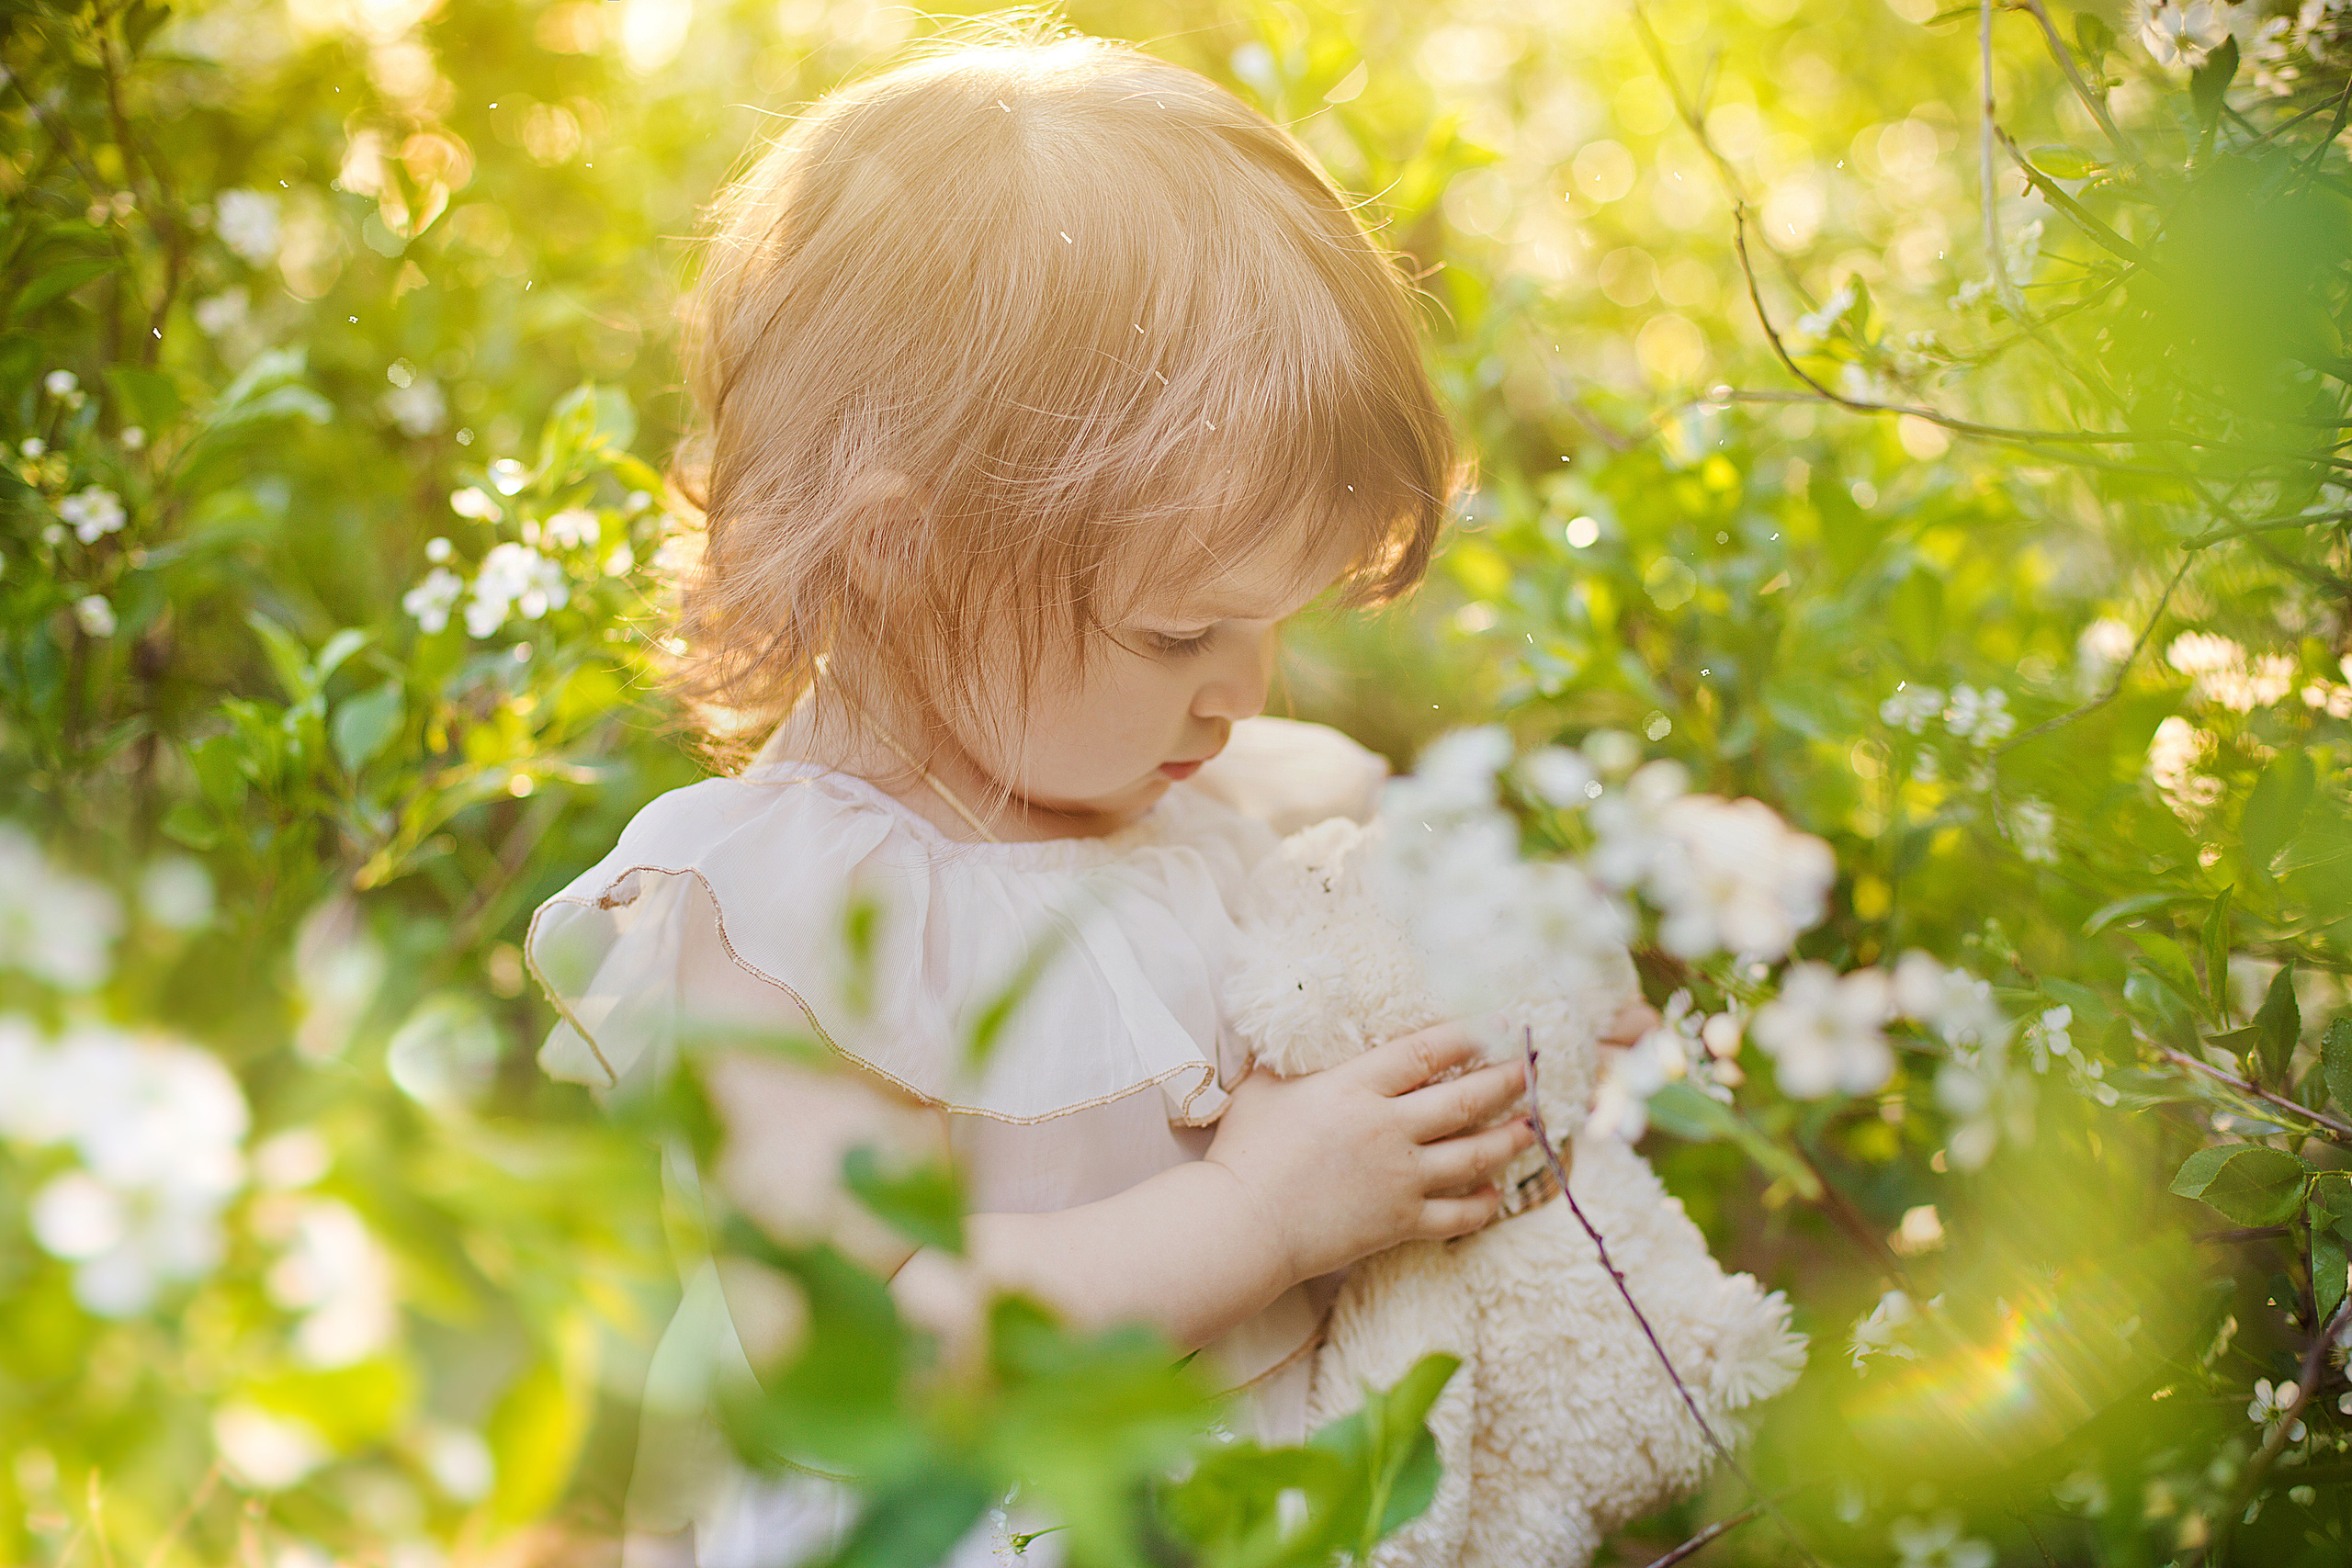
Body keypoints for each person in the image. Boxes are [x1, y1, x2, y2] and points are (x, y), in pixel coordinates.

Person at [525, 21, 1649, 1565]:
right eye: (1183, 632)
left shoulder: (1233, 798)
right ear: (900, 553)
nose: (1243, 691)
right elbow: (851, 1338)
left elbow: (1409, 978)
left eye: (1275, 623)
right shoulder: (773, 915)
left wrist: (1540, 1011)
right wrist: (1258, 1217)